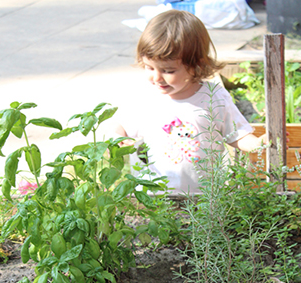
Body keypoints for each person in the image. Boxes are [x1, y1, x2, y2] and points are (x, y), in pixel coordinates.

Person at [113, 10, 270, 194]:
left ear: (197, 66)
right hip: (154, 199)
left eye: (168, 71)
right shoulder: (147, 97)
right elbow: (121, 127)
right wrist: (118, 139)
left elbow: (237, 134)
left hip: (204, 199)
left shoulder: (213, 97)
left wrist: (259, 144)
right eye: (149, 67)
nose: (156, 77)